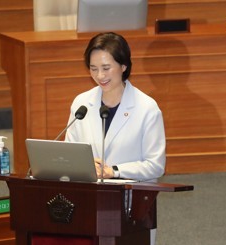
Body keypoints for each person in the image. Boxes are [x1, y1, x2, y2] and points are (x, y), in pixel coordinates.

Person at [65, 32, 166, 182]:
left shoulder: (147, 108)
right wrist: (85, 165)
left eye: (106, 68)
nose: (100, 76)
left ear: (123, 66)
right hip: (89, 191)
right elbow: (69, 154)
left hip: (130, 195)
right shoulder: (82, 103)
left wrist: (114, 171)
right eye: (93, 69)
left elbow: (155, 165)